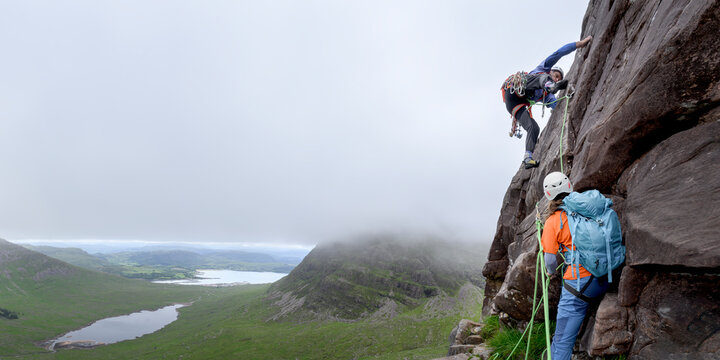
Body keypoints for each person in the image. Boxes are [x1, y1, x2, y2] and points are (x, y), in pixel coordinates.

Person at [540, 171, 609, 360]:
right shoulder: (589, 208)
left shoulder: (553, 222)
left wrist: (549, 272)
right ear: (569, 186)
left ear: (548, 195)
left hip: (580, 283)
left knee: (562, 339)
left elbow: (550, 260)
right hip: (606, 275)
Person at [502, 36, 592, 169]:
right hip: (514, 88)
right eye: (556, 76)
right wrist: (580, 44)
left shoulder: (548, 97)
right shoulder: (544, 69)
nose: (556, 79)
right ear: (551, 71)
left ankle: (527, 158)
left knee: (533, 127)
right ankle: (549, 85)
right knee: (542, 78)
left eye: (558, 80)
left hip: (516, 104)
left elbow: (558, 106)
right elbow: (559, 52)